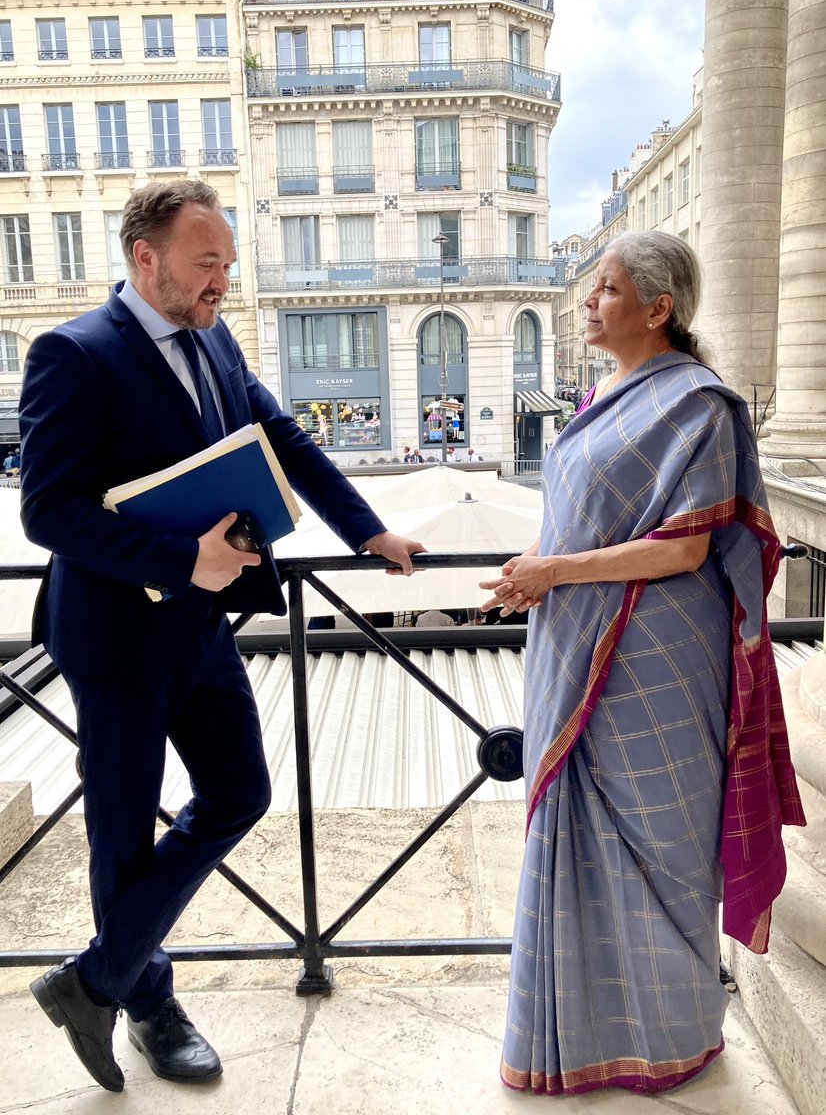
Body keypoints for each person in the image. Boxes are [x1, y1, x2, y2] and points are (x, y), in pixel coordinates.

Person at [19, 179, 425, 1093]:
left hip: (201, 628)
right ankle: (149, 1006)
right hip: (114, 638)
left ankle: (94, 980)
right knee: (120, 834)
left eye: (229, 266)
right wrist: (177, 557)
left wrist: (368, 530)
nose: (223, 284)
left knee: (241, 790)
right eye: (209, 265)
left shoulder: (215, 337)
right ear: (145, 258)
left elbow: (281, 437)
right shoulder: (71, 354)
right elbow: (47, 513)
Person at [479, 231, 805, 1097]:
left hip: (657, 651)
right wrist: (533, 571)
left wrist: (556, 572)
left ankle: (671, 1036)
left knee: (661, 842)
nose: (589, 302)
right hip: (574, 632)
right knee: (582, 828)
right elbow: (585, 519)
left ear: (658, 309)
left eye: (607, 288)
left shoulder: (699, 405)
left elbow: (681, 552)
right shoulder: (605, 394)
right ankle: (574, 1037)